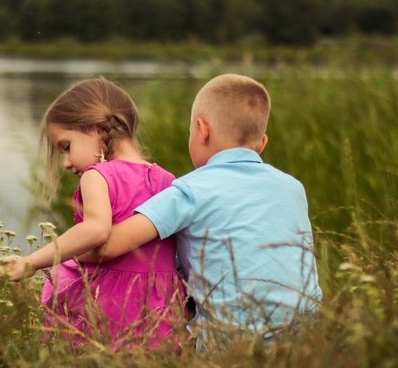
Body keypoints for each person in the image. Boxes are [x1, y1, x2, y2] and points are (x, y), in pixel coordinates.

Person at [86, 74, 321, 346]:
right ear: (262, 143)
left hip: (232, 348)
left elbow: (107, 246)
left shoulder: (190, 190)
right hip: (306, 342)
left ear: (201, 130)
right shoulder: (293, 188)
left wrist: (60, 257)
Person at [0, 77, 186, 349]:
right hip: (161, 304)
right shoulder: (166, 179)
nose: (66, 163)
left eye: (66, 147)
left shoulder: (98, 176)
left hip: (114, 304)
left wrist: (31, 262)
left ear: (95, 128)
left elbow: (96, 230)